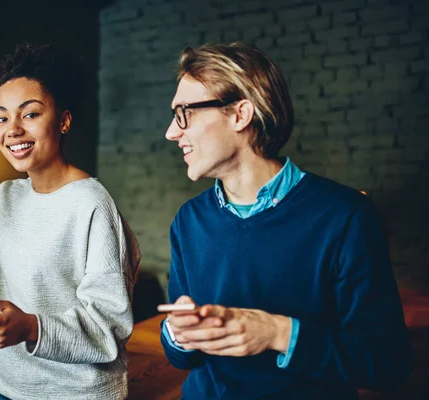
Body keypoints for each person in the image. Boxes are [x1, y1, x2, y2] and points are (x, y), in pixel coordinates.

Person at [160, 42, 412, 399]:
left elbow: (388, 364)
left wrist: (278, 333)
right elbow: (181, 358)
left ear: (240, 115)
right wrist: (178, 333)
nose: (172, 132)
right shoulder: (189, 220)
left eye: (184, 112)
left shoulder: (346, 216)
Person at [0, 42, 141, 400]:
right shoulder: (4, 200)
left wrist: (31, 328)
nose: (12, 129)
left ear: (63, 120)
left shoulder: (91, 204)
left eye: (30, 114)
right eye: (1, 118)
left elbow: (108, 328)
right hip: (0, 386)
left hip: (74, 393)